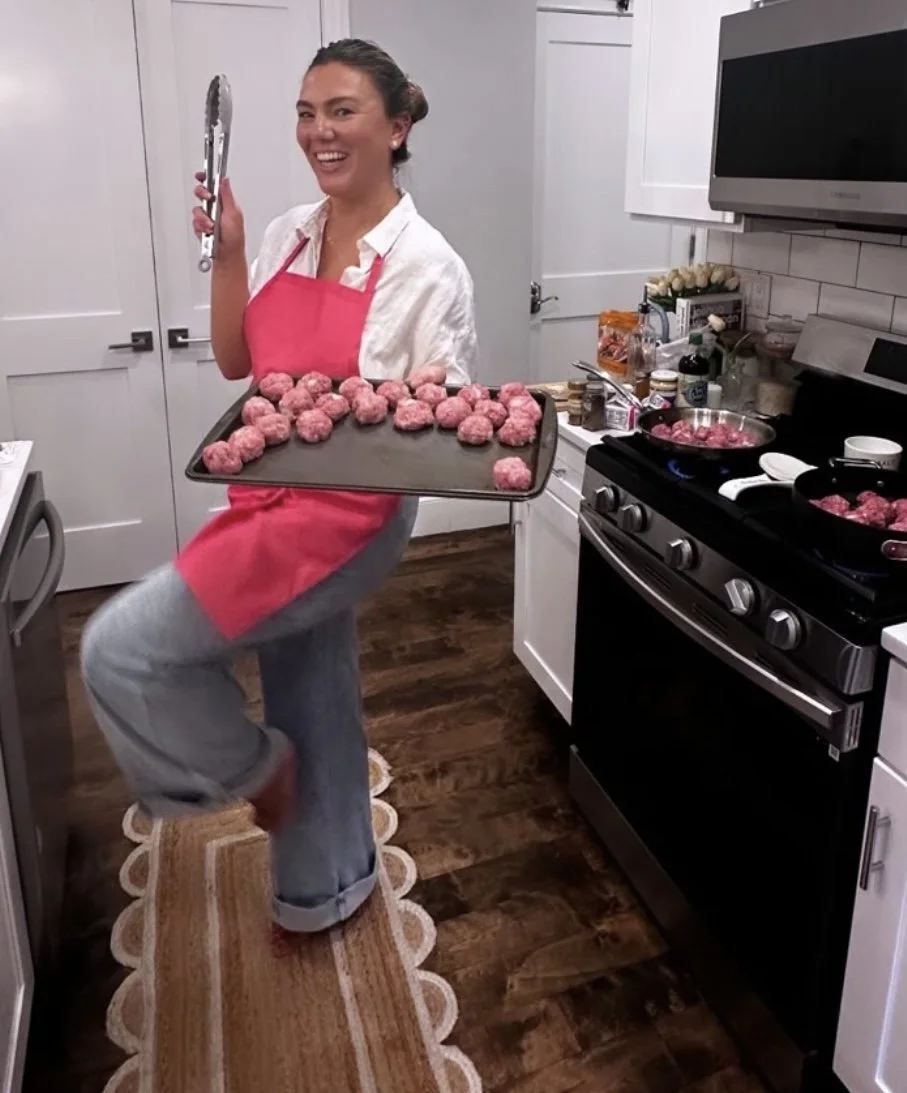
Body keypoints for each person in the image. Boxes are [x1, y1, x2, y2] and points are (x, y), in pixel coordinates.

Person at [80, 39, 477, 938]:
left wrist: (368, 417)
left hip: (348, 512)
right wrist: (226, 252)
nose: (318, 131)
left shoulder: (425, 265)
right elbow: (238, 363)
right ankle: (326, 883)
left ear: (397, 125)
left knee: (122, 651)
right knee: (312, 684)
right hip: (271, 489)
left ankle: (260, 772)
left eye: (342, 110)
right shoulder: (288, 233)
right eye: (306, 112)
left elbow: (431, 434)